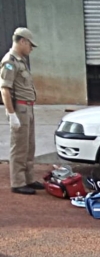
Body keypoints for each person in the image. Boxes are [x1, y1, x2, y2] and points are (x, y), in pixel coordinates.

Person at [0, 27, 44, 195]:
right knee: (19, 147)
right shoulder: (10, 61)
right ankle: (18, 182)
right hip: (19, 108)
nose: (31, 49)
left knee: (29, 146)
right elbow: (4, 89)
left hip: (28, 107)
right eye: (30, 45)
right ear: (22, 41)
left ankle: (29, 178)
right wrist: (12, 115)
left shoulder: (20, 60)